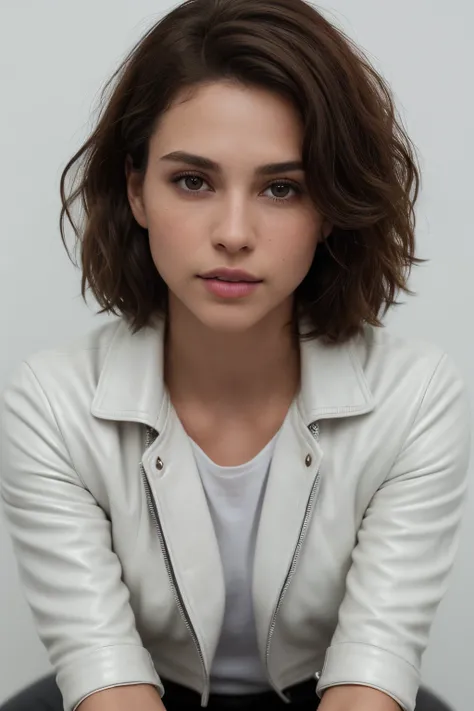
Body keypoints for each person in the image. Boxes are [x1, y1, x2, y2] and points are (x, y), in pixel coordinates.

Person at [0, 0, 470, 710]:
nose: (234, 232)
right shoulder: (51, 401)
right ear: (136, 190)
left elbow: (374, 668)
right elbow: (107, 675)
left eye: (283, 188)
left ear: (331, 208)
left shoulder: (416, 393)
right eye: (193, 180)